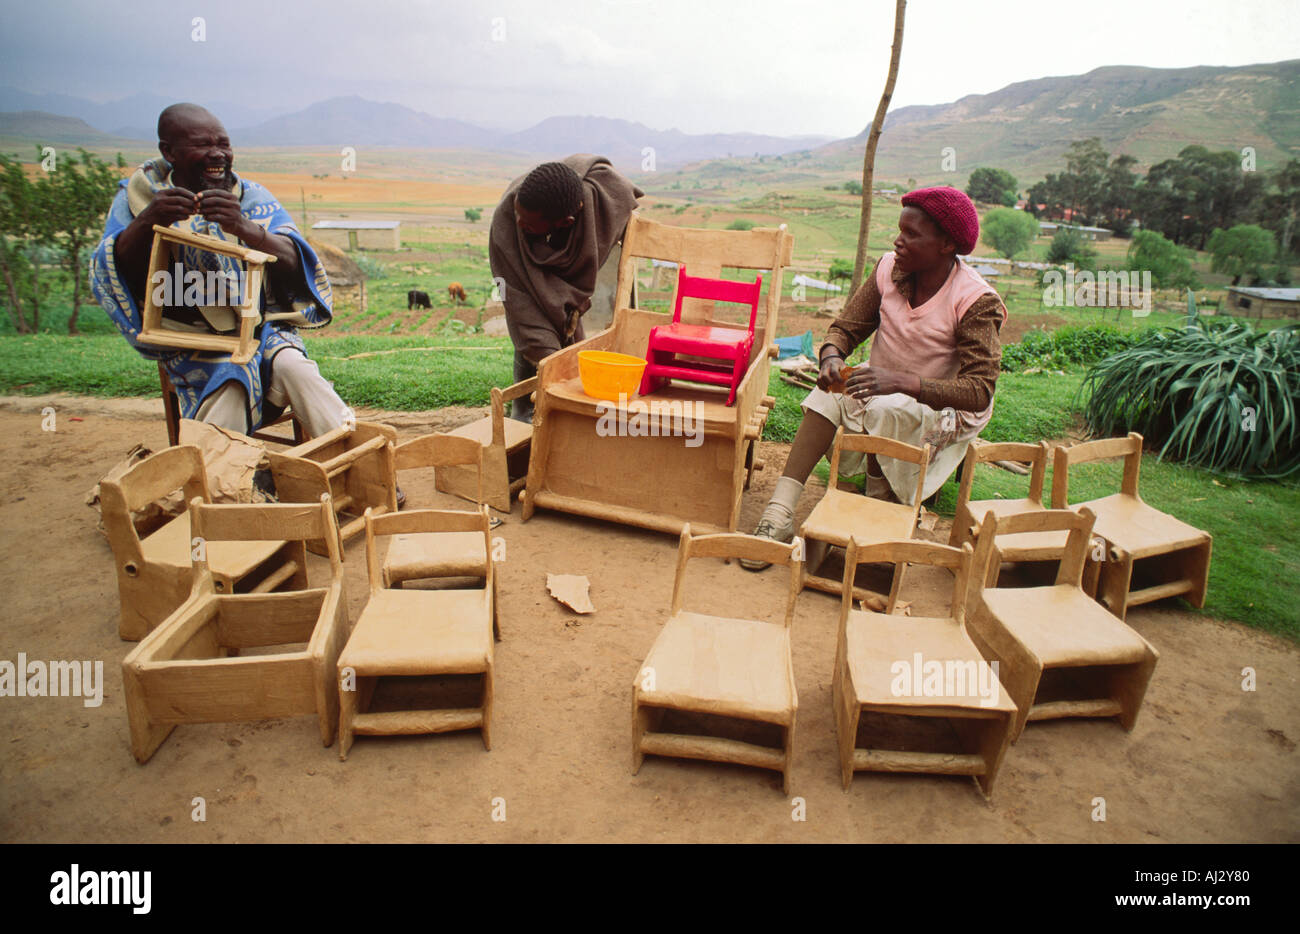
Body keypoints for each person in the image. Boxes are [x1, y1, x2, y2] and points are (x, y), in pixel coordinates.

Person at [743, 186, 1006, 568]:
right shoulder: (889, 269)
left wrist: (902, 382)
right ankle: (779, 512)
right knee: (828, 394)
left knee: (883, 410)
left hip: (945, 407)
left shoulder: (976, 301)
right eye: (900, 231)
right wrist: (832, 355)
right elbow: (846, 328)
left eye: (911, 235)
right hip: (884, 385)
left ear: (947, 243)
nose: (899, 242)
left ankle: (873, 515)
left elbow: (979, 391)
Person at [91, 103, 354, 439]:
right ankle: (224, 478)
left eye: (224, 145)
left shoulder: (251, 196)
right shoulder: (139, 198)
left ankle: (356, 458)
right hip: (189, 340)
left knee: (296, 368)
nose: (218, 154)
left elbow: (296, 258)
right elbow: (111, 268)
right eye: (203, 145)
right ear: (168, 151)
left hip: (262, 329)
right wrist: (148, 221)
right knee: (231, 381)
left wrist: (245, 227)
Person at [488, 155, 642, 421]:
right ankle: (524, 412)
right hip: (524, 288)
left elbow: (629, 220)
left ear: (566, 223)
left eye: (528, 223)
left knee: (566, 356)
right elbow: (518, 302)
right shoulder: (507, 221)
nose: (519, 222)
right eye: (518, 213)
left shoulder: (605, 201)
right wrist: (554, 363)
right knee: (534, 335)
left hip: (566, 235)